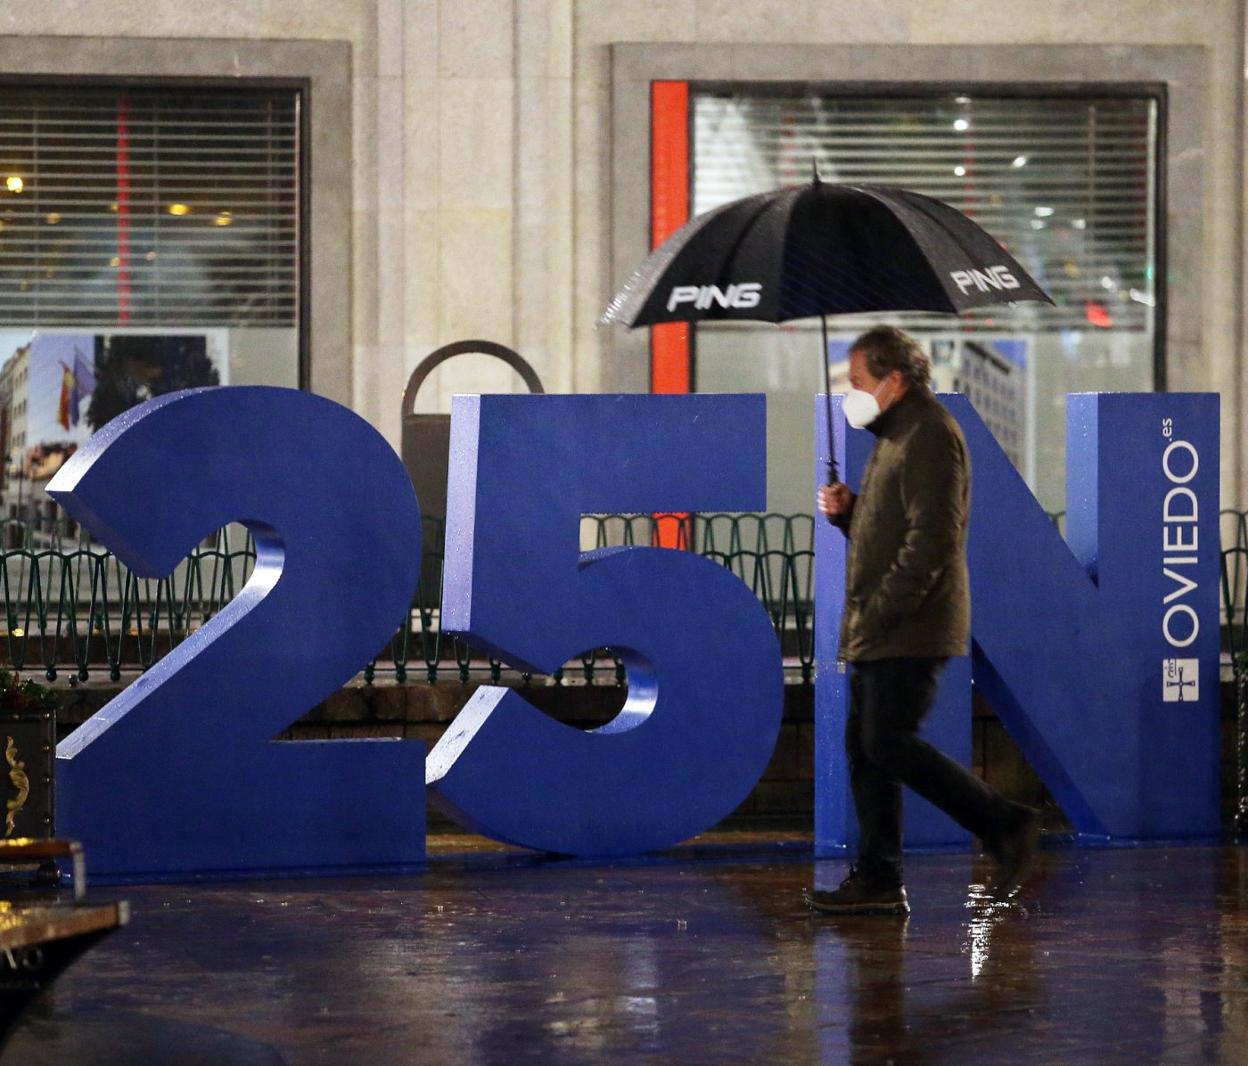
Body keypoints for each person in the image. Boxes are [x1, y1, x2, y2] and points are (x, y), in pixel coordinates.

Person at [805, 325, 1038, 916]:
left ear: (895, 379)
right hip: (882, 623)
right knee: (866, 747)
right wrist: (851, 512)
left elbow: (932, 540)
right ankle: (880, 879)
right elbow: (890, 528)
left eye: (857, 382)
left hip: (908, 623)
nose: (850, 393)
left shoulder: (930, 435)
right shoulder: (897, 434)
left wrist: (881, 611)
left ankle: (1004, 822)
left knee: (886, 741)